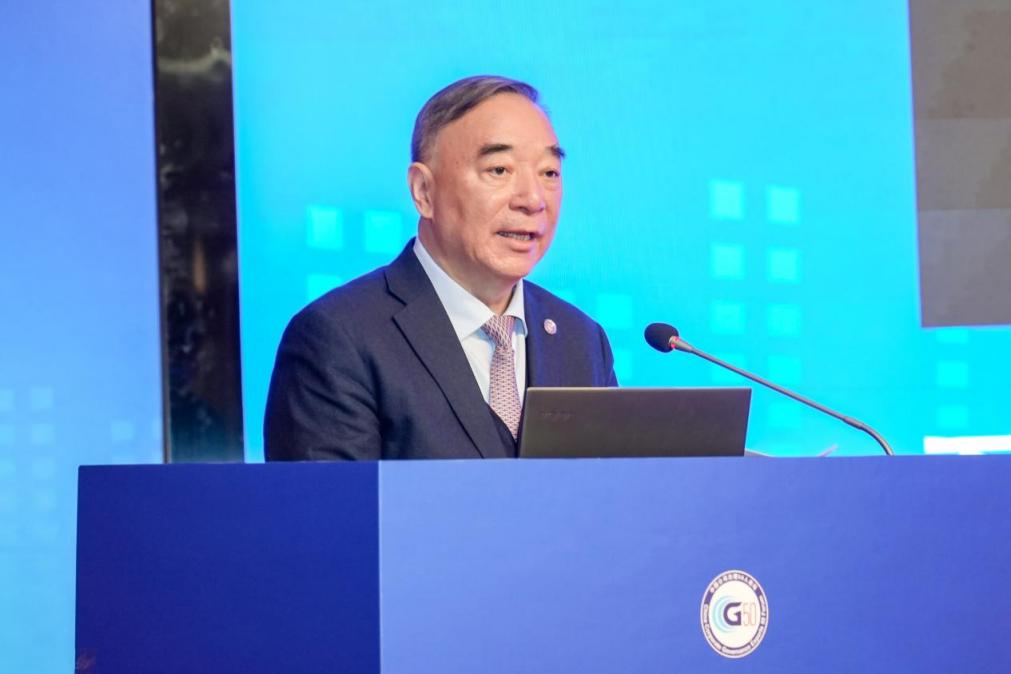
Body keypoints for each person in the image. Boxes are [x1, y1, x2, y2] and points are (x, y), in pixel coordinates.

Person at [265, 75, 617, 460]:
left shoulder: (581, 340)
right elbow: (335, 498)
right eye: (499, 170)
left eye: (549, 172)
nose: (533, 200)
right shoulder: (338, 338)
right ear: (424, 192)